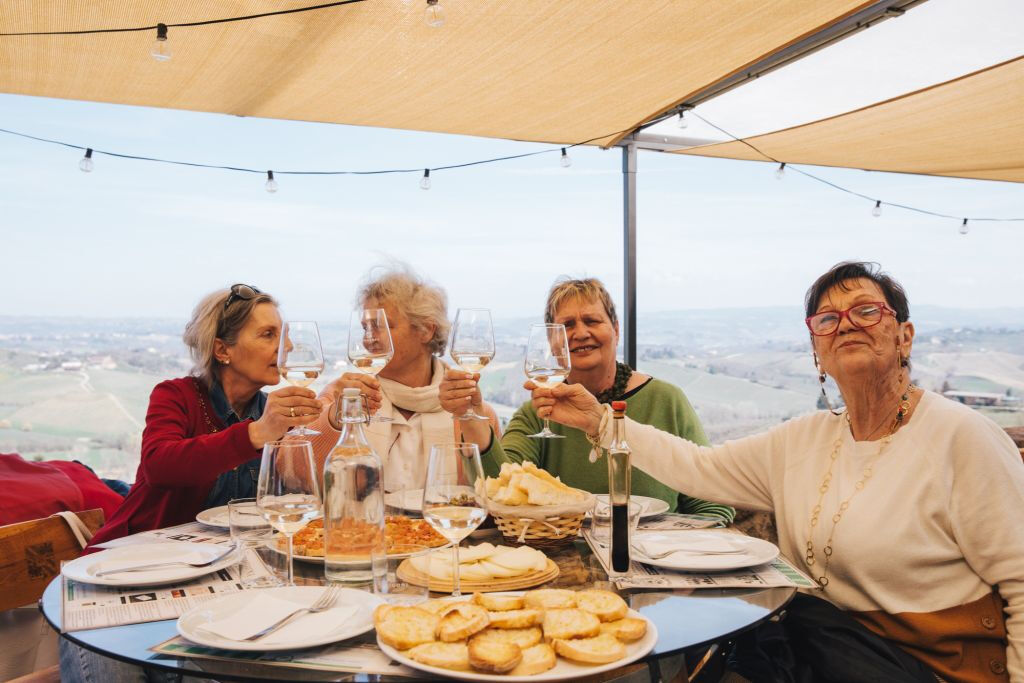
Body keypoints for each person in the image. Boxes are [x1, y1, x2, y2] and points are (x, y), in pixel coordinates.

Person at [530, 262, 1024, 682]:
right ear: (817, 349)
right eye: (828, 318)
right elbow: (697, 467)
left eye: (867, 311)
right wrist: (600, 421)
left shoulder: (962, 436)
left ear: (905, 335)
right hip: (819, 656)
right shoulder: (804, 438)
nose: (847, 324)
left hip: (930, 668)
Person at [441, 277, 733, 521]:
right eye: (567, 325)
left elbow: (713, 502)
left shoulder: (666, 400)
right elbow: (497, 490)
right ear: (552, 341)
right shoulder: (536, 413)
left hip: (656, 562)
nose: (580, 333)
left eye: (592, 320)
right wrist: (471, 413)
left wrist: (678, 551)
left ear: (616, 331)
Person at [87, 284, 322, 548]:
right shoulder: (176, 396)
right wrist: (255, 434)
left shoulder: (270, 412)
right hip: (135, 557)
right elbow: (158, 466)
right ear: (222, 350)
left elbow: (299, 496)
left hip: (216, 561)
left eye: (285, 336)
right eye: (269, 335)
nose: (287, 347)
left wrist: (332, 418)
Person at [305, 265, 501, 492]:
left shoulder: (470, 409)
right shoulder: (342, 395)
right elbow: (293, 476)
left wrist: (471, 418)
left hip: (444, 527)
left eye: (381, 326)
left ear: (426, 330)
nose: (369, 339)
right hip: (366, 527)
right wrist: (334, 420)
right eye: (365, 327)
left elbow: (496, 495)